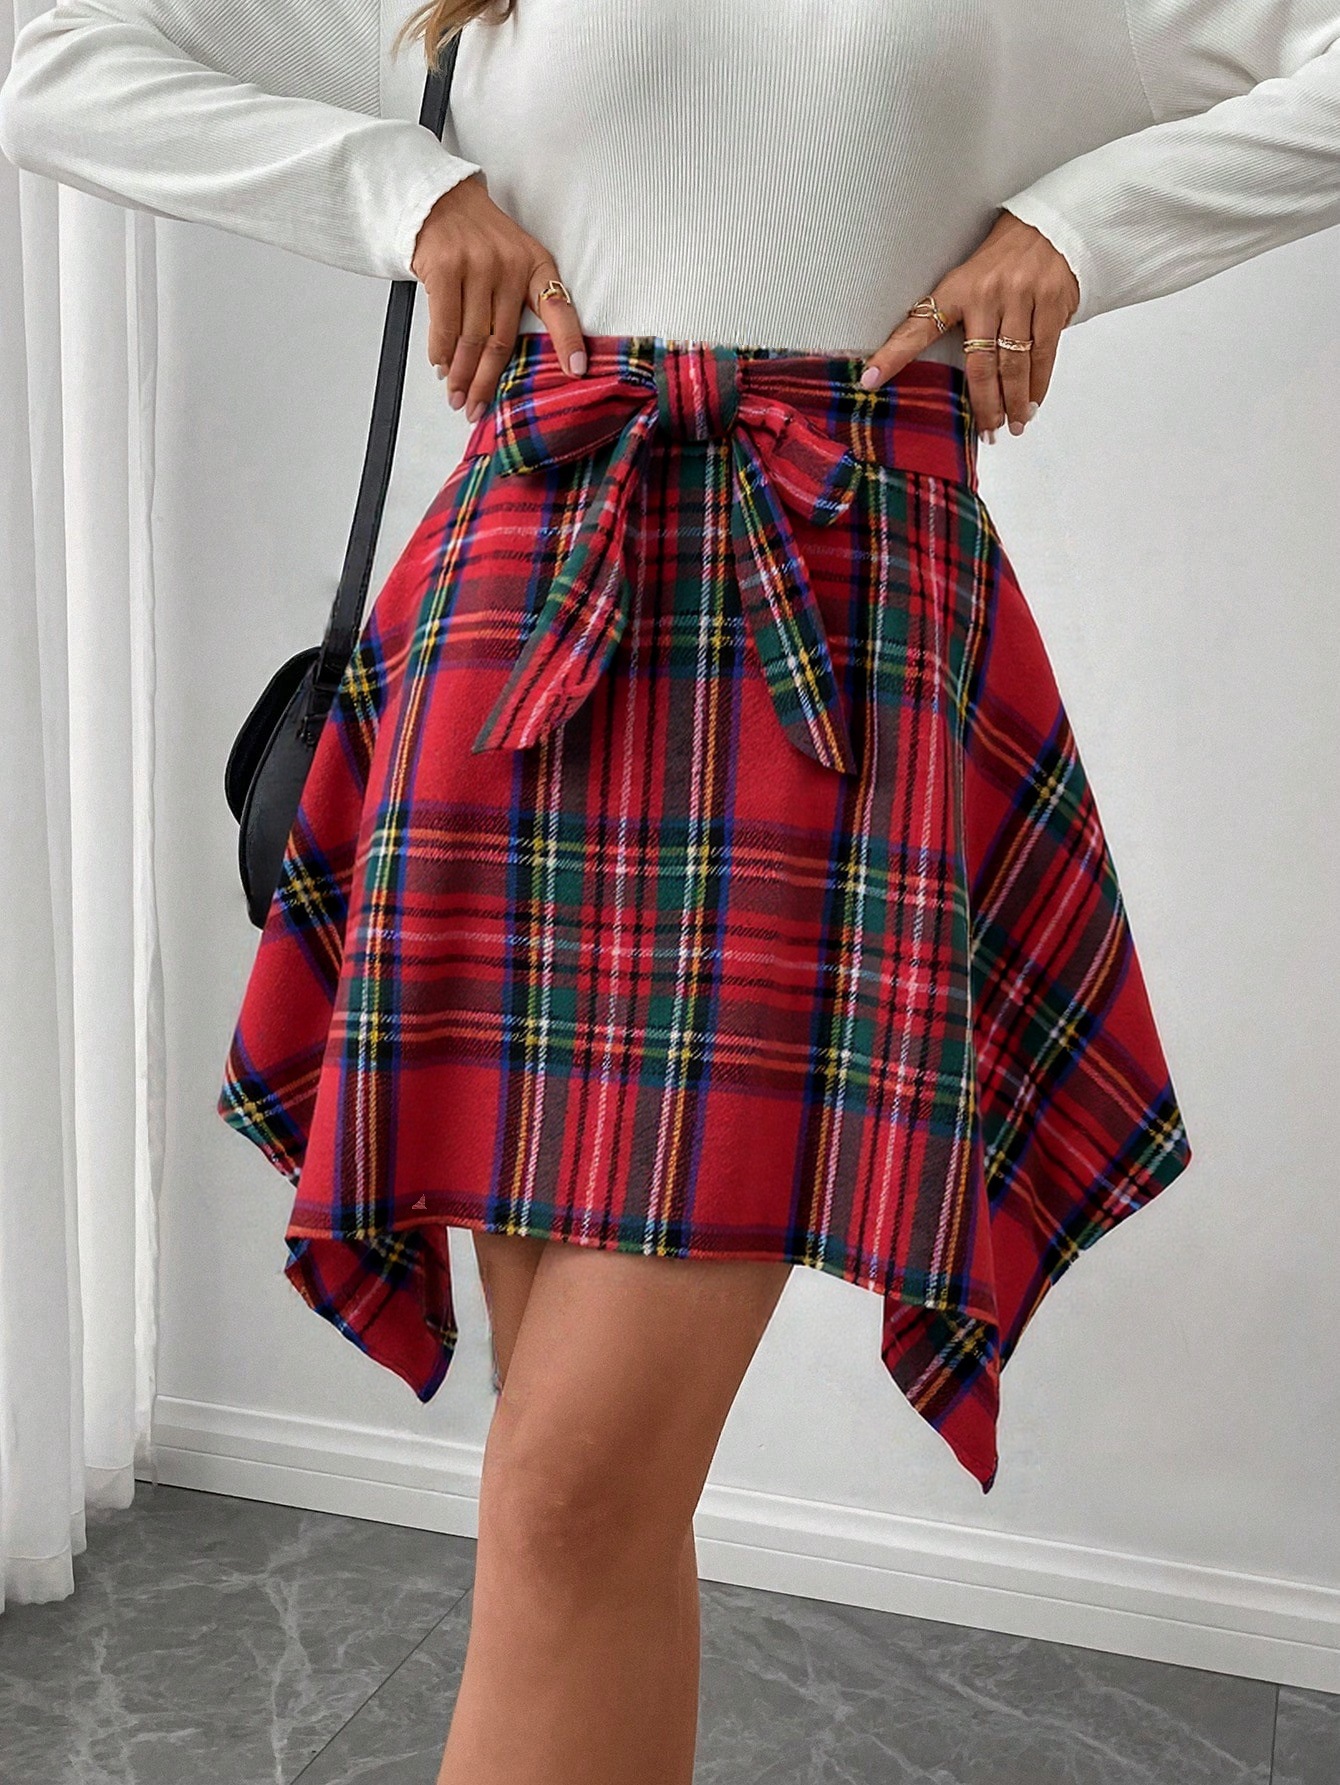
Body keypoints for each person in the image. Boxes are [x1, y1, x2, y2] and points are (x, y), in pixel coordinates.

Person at [3, 2, 1337, 1780]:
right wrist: (404, 191)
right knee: (572, 1488)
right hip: (524, 636)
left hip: (827, 659)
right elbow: (49, 51)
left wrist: (1079, 230)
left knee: (576, 1489)